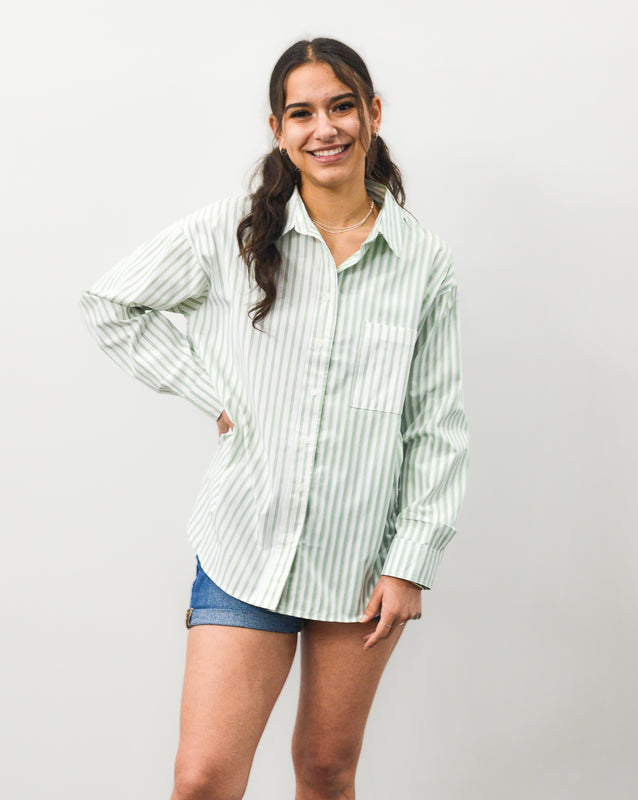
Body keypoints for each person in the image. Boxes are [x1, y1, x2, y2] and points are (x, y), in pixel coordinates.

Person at [79, 36, 469, 800]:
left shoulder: (424, 263)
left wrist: (410, 562)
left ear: (373, 113)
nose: (325, 128)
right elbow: (112, 303)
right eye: (302, 113)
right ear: (278, 129)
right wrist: (213, 394)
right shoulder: (231, 233)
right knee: (202, 779)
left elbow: (436, 426)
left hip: (360, 563)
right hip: (244, 545)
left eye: (341, 106)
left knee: (326, 771)